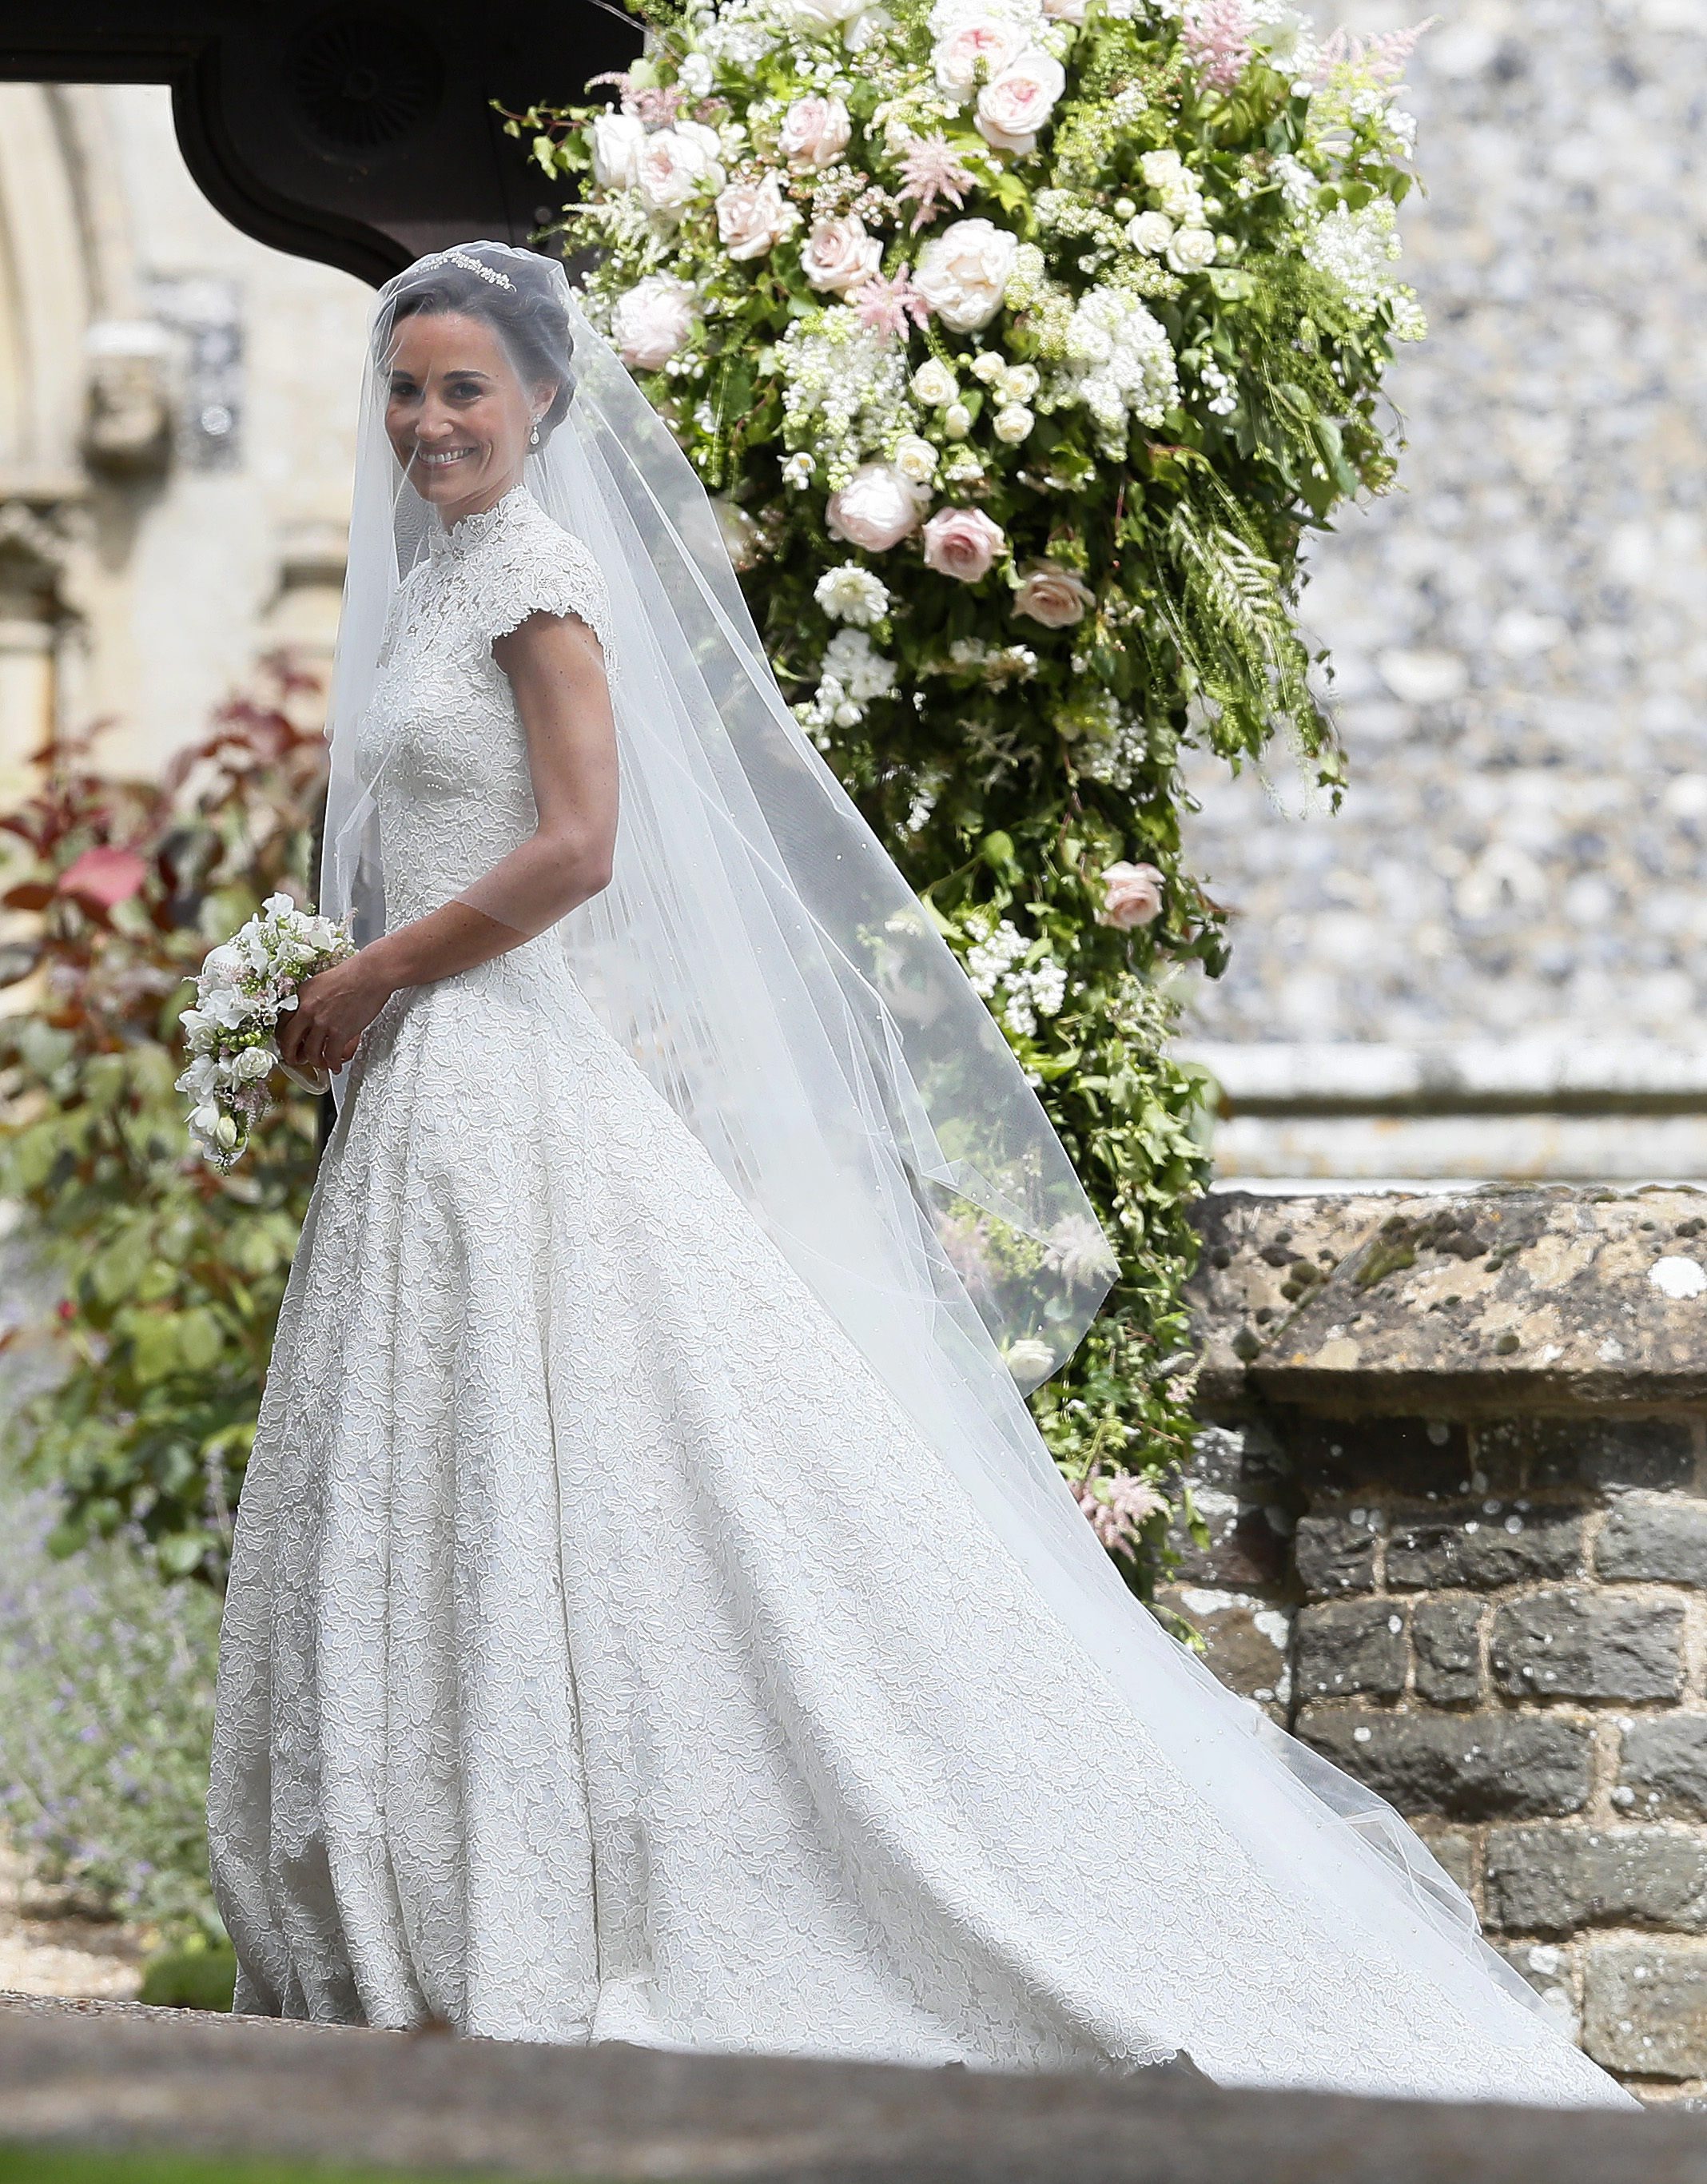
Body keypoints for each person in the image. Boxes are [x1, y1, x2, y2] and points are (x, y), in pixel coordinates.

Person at [207, 241, 1630, 2107]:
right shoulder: (431, 589)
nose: (431, 421)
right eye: (408, 390)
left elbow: (578, 845)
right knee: (457, 1470)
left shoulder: (542, 581)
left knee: (613, 1469)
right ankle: (436, 1889)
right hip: (429, 1093)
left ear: (545, 401)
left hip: (505, 1067)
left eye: (466, 387)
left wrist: (377, 969)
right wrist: (306, 997)